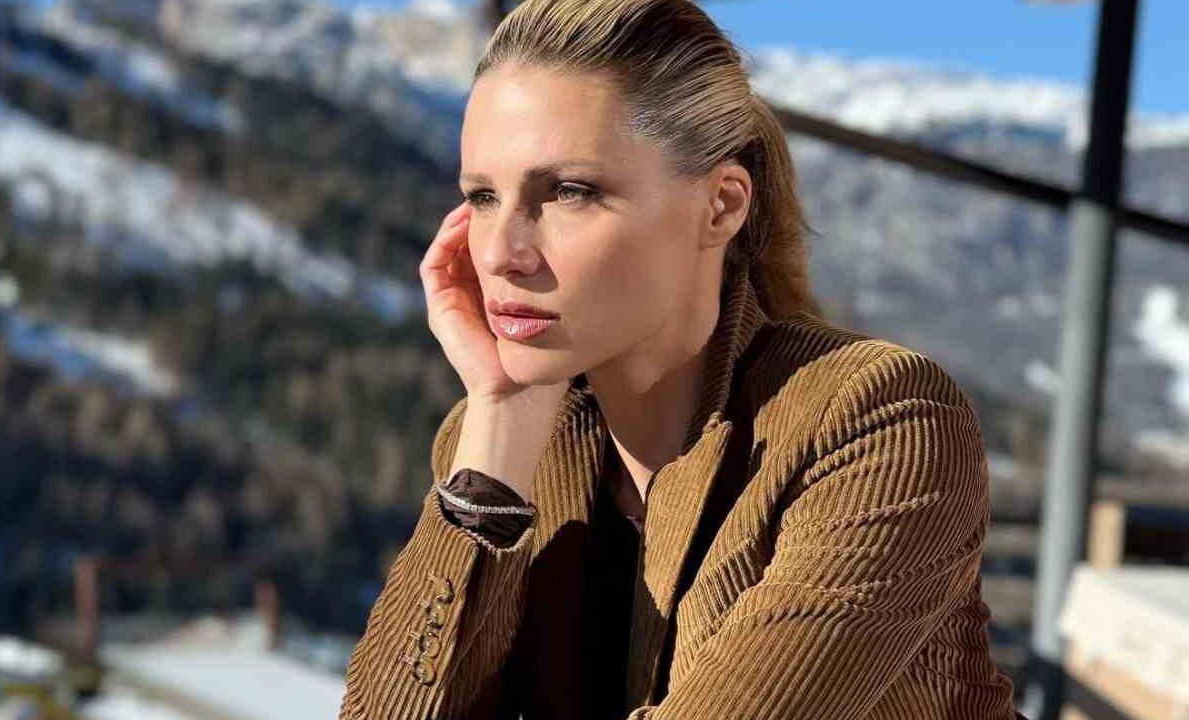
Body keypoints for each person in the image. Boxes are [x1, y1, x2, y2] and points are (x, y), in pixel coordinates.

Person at [338, 1, 1021, 718]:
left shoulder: (879, 423)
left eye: (568, 192)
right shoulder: (496, 447)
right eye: (481, 197)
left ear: (720, 206)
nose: (501, 253)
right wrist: (499, 424)